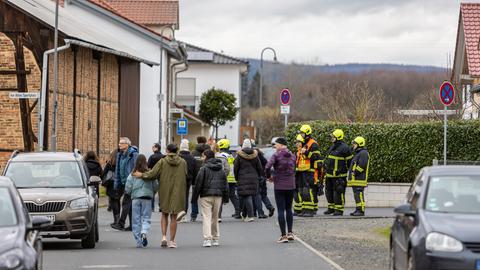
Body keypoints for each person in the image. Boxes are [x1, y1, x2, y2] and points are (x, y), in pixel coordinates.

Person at [134, 144, 187, 248]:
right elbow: (186, 175)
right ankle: (172, 241)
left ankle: (163, 237)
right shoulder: (183, 162)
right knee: (174, 216)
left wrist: (142, 175)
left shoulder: (162, 161)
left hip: (164, 189)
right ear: (177, 151)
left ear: (167, 150)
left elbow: (153, 174)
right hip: (178, 190)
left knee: (164, 214)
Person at [192, 150, 228, 247]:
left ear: (206, 157)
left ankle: (207, 239)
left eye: (203, 156)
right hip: (218, 195)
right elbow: (225, 184)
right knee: (215, 218)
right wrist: (226, 197)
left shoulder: (203, 169)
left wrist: (194, 198)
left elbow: (198, 184)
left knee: (206, 217)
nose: (202, 158)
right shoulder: (221, 169)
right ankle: (215, 238)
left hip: (206, 195)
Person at [265, 137, 296, 243]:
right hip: (291, 185)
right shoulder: (293, 155)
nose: (275, 146)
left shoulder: (276, 155)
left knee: (281, 210)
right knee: (289, 209)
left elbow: (267, 167)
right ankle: (290, 233)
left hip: (279, 185)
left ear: (281, 145)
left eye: (276, 144)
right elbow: (294, 168)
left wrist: (269, 177)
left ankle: (283, 236)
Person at [125, 155, 158, 248]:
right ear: (145, 162)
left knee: (136, 220)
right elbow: (155, 185)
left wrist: (131, 192)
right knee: (146, 218)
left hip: (135, 198)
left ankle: (138, 241)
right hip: (147, 198)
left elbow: (128, 187)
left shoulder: (133, 174)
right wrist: (152, 192)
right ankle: (144, 232)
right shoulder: (149, 173)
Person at [295, 125, 323, 217]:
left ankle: (310, 210)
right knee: (302, 191)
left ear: (307, 133)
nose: (301, 135)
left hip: (309, 171)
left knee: (308, 190)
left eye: (302, 133)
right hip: (301, 171)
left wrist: (307, 152)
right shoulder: (303, 143)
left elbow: (316, 158)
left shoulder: (313, 144)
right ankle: (304, 210)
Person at [111, 137, 139, 231]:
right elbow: (117, 170)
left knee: (126, 202)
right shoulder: (120, 154)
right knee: (129, 205)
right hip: (123, 182)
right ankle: (132, 225)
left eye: (121, 143)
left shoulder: (133, 154)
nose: (119, 145)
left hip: (131, 182)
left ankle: (121, 223)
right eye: (119, 143)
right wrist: (116, 183)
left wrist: (133, 181)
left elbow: (136, 168)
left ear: (127, 144)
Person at [323, 129, 353, 216]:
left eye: (333, 137)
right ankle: (331, 208)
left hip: (339, 176)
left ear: (338, 137)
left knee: (338, 192)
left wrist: (343, 171)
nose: (332, 138)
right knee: (329, 192)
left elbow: (350, 162)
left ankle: (339, 210)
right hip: (329, 175)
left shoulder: (345, 148)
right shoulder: (333, 146)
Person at [234, 139, 263, 222]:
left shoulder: (239, 155)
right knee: (247, 195)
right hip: (254, 178)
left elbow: (236, 168)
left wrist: (236, 177)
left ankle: (250, 215)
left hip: (242, 177)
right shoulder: (255, 155)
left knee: (246, 196)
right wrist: (259, 176)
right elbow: (259, 167)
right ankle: (244, 214)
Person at [217, 139, 241, 219]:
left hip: (225, 178)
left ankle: (218, 215)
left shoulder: (222, 155)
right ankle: (238, 212)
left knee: (220, 196)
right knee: (232, 196)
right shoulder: (230, 155)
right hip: (232, 178)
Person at [347, 137, 370, 216]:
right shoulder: (358, 153)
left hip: (359, 179)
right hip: (356, 179)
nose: (353, 145)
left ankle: (361, 210)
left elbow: (362, 165)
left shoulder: (363, 153)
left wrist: (354, 172)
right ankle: (358, 209)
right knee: (356, 194)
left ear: (359, 144)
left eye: (355, 144)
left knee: (359, 194)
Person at [177, 139, 198, 222]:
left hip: (178, 180)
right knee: (185, 197)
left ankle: (178, 213)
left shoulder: (178, 157)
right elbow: (195, 171)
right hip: (188, 180)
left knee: (178, 197)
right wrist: (193, 182)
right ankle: (184, 215)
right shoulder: (192, 159)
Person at [190, 136, 210, 222]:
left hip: (195, 179)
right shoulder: (209, 152)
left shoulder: (193, 153)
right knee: (205, 197)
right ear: (205, 141)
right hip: (207, 179)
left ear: (197, 141)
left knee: (194, 197)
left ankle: (194, 215)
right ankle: (205, 214)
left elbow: (191, 166)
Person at [253, 144, 275, 218]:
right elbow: (267, 166)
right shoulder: (263, 158)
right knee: (263, 195)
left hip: (257, 178)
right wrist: (267, 176)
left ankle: (257, 212)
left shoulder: (254, 158)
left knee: (256, 195)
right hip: (263, 177)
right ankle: (270, 207)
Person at [102, 150, 117, 225]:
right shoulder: (120, 163)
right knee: (117, 201)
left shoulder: (109, 163)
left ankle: (116, 220)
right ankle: (118, 219)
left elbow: (104, 173)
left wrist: (103, 181)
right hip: (118, 183)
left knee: (113, 201)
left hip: (110, 184)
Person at [148, 143, 164, 212]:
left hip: (153, 176)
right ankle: (161, 207)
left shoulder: (152, 157)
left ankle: (152, 207)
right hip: (161, 176)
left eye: (153, 147)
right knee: (161, 192)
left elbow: (148, 166)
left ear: (157, 148)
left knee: (152, 192)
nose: (152, 148)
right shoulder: (163, 157)